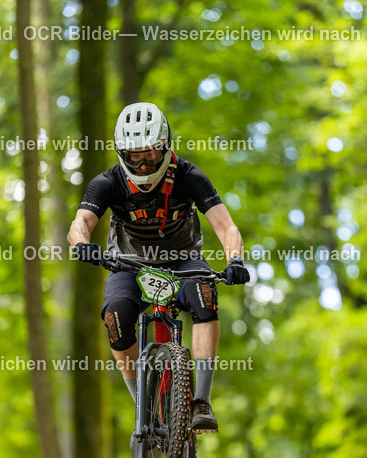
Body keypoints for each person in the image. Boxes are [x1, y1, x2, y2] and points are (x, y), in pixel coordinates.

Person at [67, 102, 249, 433]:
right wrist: (83, 246)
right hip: (126, 263)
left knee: (205, 297)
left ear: (166, 145)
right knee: (116, 317)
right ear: (122, 152)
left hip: (183, 259)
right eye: (135, 155)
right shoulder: (108, 182)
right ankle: (142, 407)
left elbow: (226, 227)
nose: (144, 162)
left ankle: (201, 401)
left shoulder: (189, 176)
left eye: (151, 153)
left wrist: (235, 260)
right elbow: (81, 222)